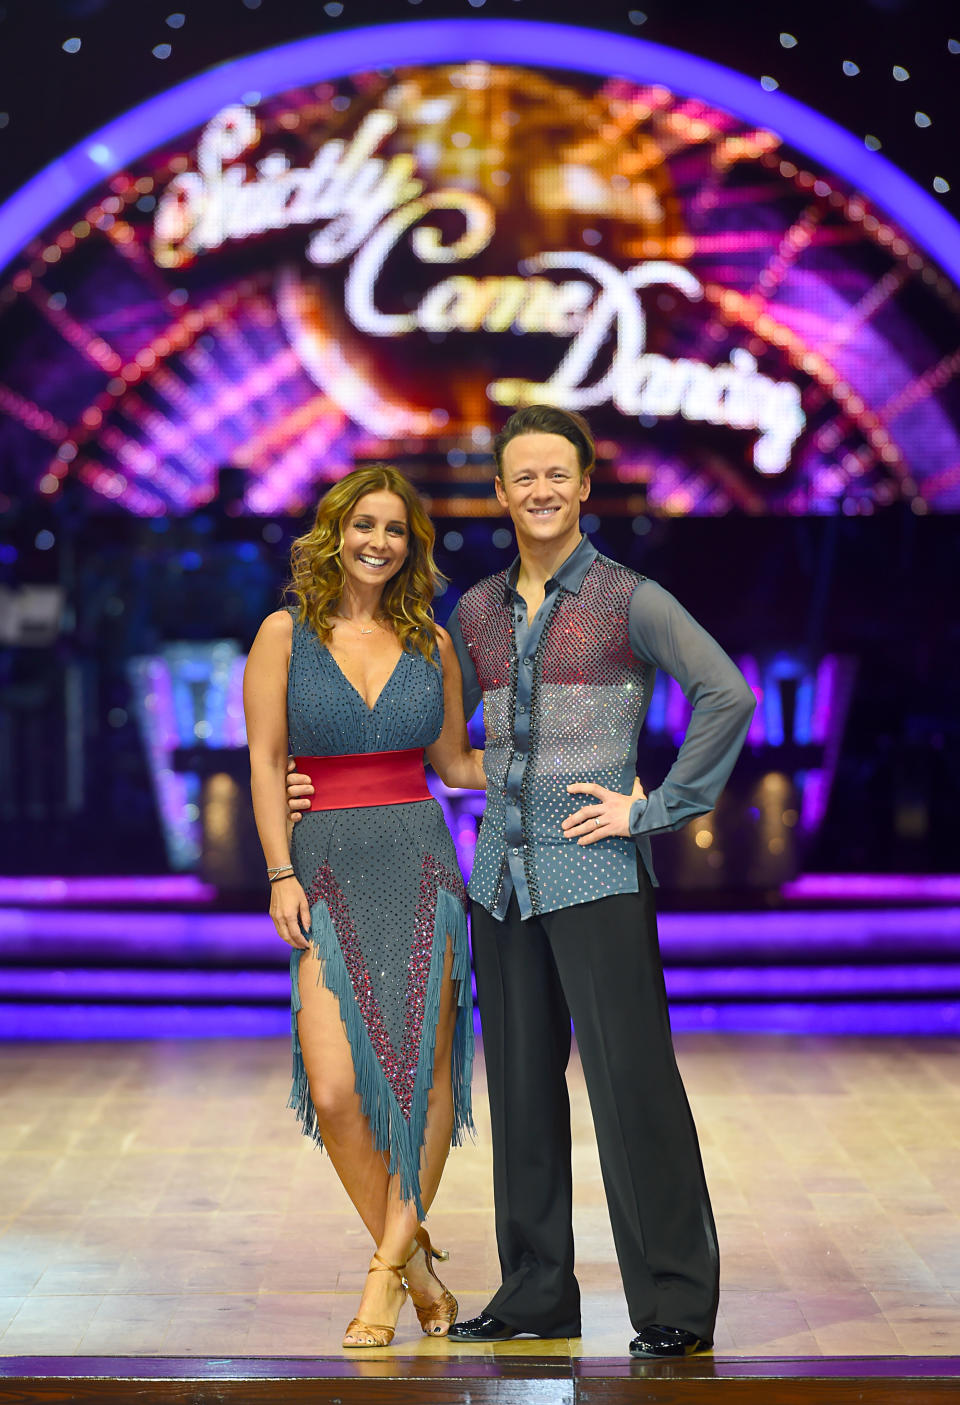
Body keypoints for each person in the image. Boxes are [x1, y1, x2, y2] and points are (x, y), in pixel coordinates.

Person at [286, 409, 756, 1358]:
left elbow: (727, 693)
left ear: (584, 486)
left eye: (557, 474)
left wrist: (655, 808)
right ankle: (539, 1290)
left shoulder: (630, 598)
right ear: (499, 494)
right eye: (521, 477)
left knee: (633, 1090)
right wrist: (325, 779)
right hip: (498, 880)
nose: (539, 490)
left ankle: (672, 1300)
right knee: (524, 1095)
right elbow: (448, 747)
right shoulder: (473, 612)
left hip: (596, 871)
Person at [244, 464, 485, 1349]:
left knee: (421, 1082)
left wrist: (563, 767)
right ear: (334, 532)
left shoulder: (433, 640)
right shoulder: (284, 633)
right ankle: (420, 1265)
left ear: (411, 546)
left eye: (395, 529)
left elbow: (458, 767)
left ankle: (386, 1275)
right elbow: (269, 762)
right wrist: (279, 871)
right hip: (326, 870)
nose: (378, 541)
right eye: (364, 525)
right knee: (337, 1087)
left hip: (423, 867)